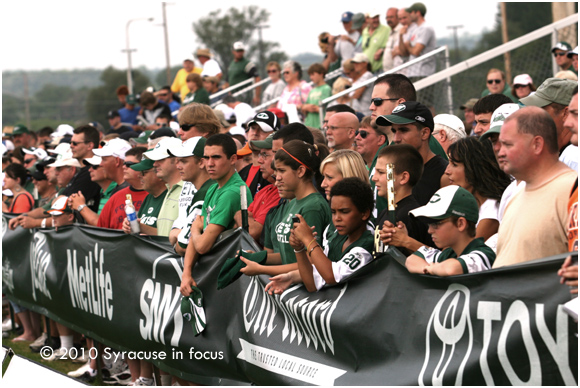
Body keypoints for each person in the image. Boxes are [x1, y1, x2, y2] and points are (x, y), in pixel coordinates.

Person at [494, 107, 578, 268]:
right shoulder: (516, 194)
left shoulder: (571, 191)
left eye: (507, 144)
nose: (500, 151)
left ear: (537, 144)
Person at [239, 140, 331, 277]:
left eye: (282, 171)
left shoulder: (313, 207)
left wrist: (261, 269)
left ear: (300, 171)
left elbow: (312, 263)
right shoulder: (293, 203)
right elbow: (288, 255)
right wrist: (259, 257)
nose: (277, 179)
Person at [266, 177, 375, 293]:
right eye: (333, 212)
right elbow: (312, 284)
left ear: (364, 213)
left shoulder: (366, 244)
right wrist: (299, 250)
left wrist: (309, 240)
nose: (337, 218)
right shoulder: (336, 235)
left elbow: (331, 276)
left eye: (344, 212)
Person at [180, 134, 252, 296]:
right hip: (214, 275)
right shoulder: (214, 187)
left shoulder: (232, 192)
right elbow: (198, 235)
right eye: (206, 158)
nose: (210, 164)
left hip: (232, 283)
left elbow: (203, 245)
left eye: (216, 157)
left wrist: (195, 229)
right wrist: (186, 273)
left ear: (233, 159)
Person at [406, 185, 496, 276]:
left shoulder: (484, 254)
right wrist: (427, 269)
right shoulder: (449, 254)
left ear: (460, 224)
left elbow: (452, 269)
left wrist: (433, 268)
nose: (429, 230)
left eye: (436, 224)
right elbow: (411, 260)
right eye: (429, 224)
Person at [376, 101, 448, 206]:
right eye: (394, 131)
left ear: (424, 133)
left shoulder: (445, 174)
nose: (396, 139)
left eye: (403, 130)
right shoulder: (395, 171)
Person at [445, 137, 512, 241]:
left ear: (473, 168)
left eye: (454, 164)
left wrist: (410, 243)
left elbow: (465, 252)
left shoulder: (492, 210)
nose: (447, 171)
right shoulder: (469, 204)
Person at [374, 144, 432, 256]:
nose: (374, 178)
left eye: (381, 172)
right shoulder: (384, 213)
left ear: (403, 177)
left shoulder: (412, 216)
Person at [519, 77, 578, 171]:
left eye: (541, 110)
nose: (533, 117)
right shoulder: (556, 150)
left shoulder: (574, 156)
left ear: (566, 113)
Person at [97, 147, 149, 230]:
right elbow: (101, 230)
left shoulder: (155, 195)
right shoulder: (116, 197)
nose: (124, 167)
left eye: (129, 164)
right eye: (124, 164)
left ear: (143, 166)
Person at [400, 3, 436, 80]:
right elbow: (404, 52)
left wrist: (408, 46)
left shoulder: (426, 28)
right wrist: (400, 36)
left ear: (418, 13)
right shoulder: (415, 29)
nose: (409, 14)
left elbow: (416, 51)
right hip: (412, 73)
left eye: (411, 12)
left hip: (423, 72)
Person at [301, 63, 332, 129]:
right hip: (309, 124)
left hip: (319, 125)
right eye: (310, 75)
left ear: (321, 73)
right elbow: (304, 107)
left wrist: (309, 107)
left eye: (313, 74)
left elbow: (321, 108)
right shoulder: (312, 90)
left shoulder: (326, 88)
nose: (311, 78)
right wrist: (306, 107)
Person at [382, 8, 402, 73]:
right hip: (389, 72)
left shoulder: (402, 30)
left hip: (399, 71)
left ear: (398, 18)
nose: (388, 20)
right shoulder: (390, 31)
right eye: (387, 17)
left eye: (391, 17)